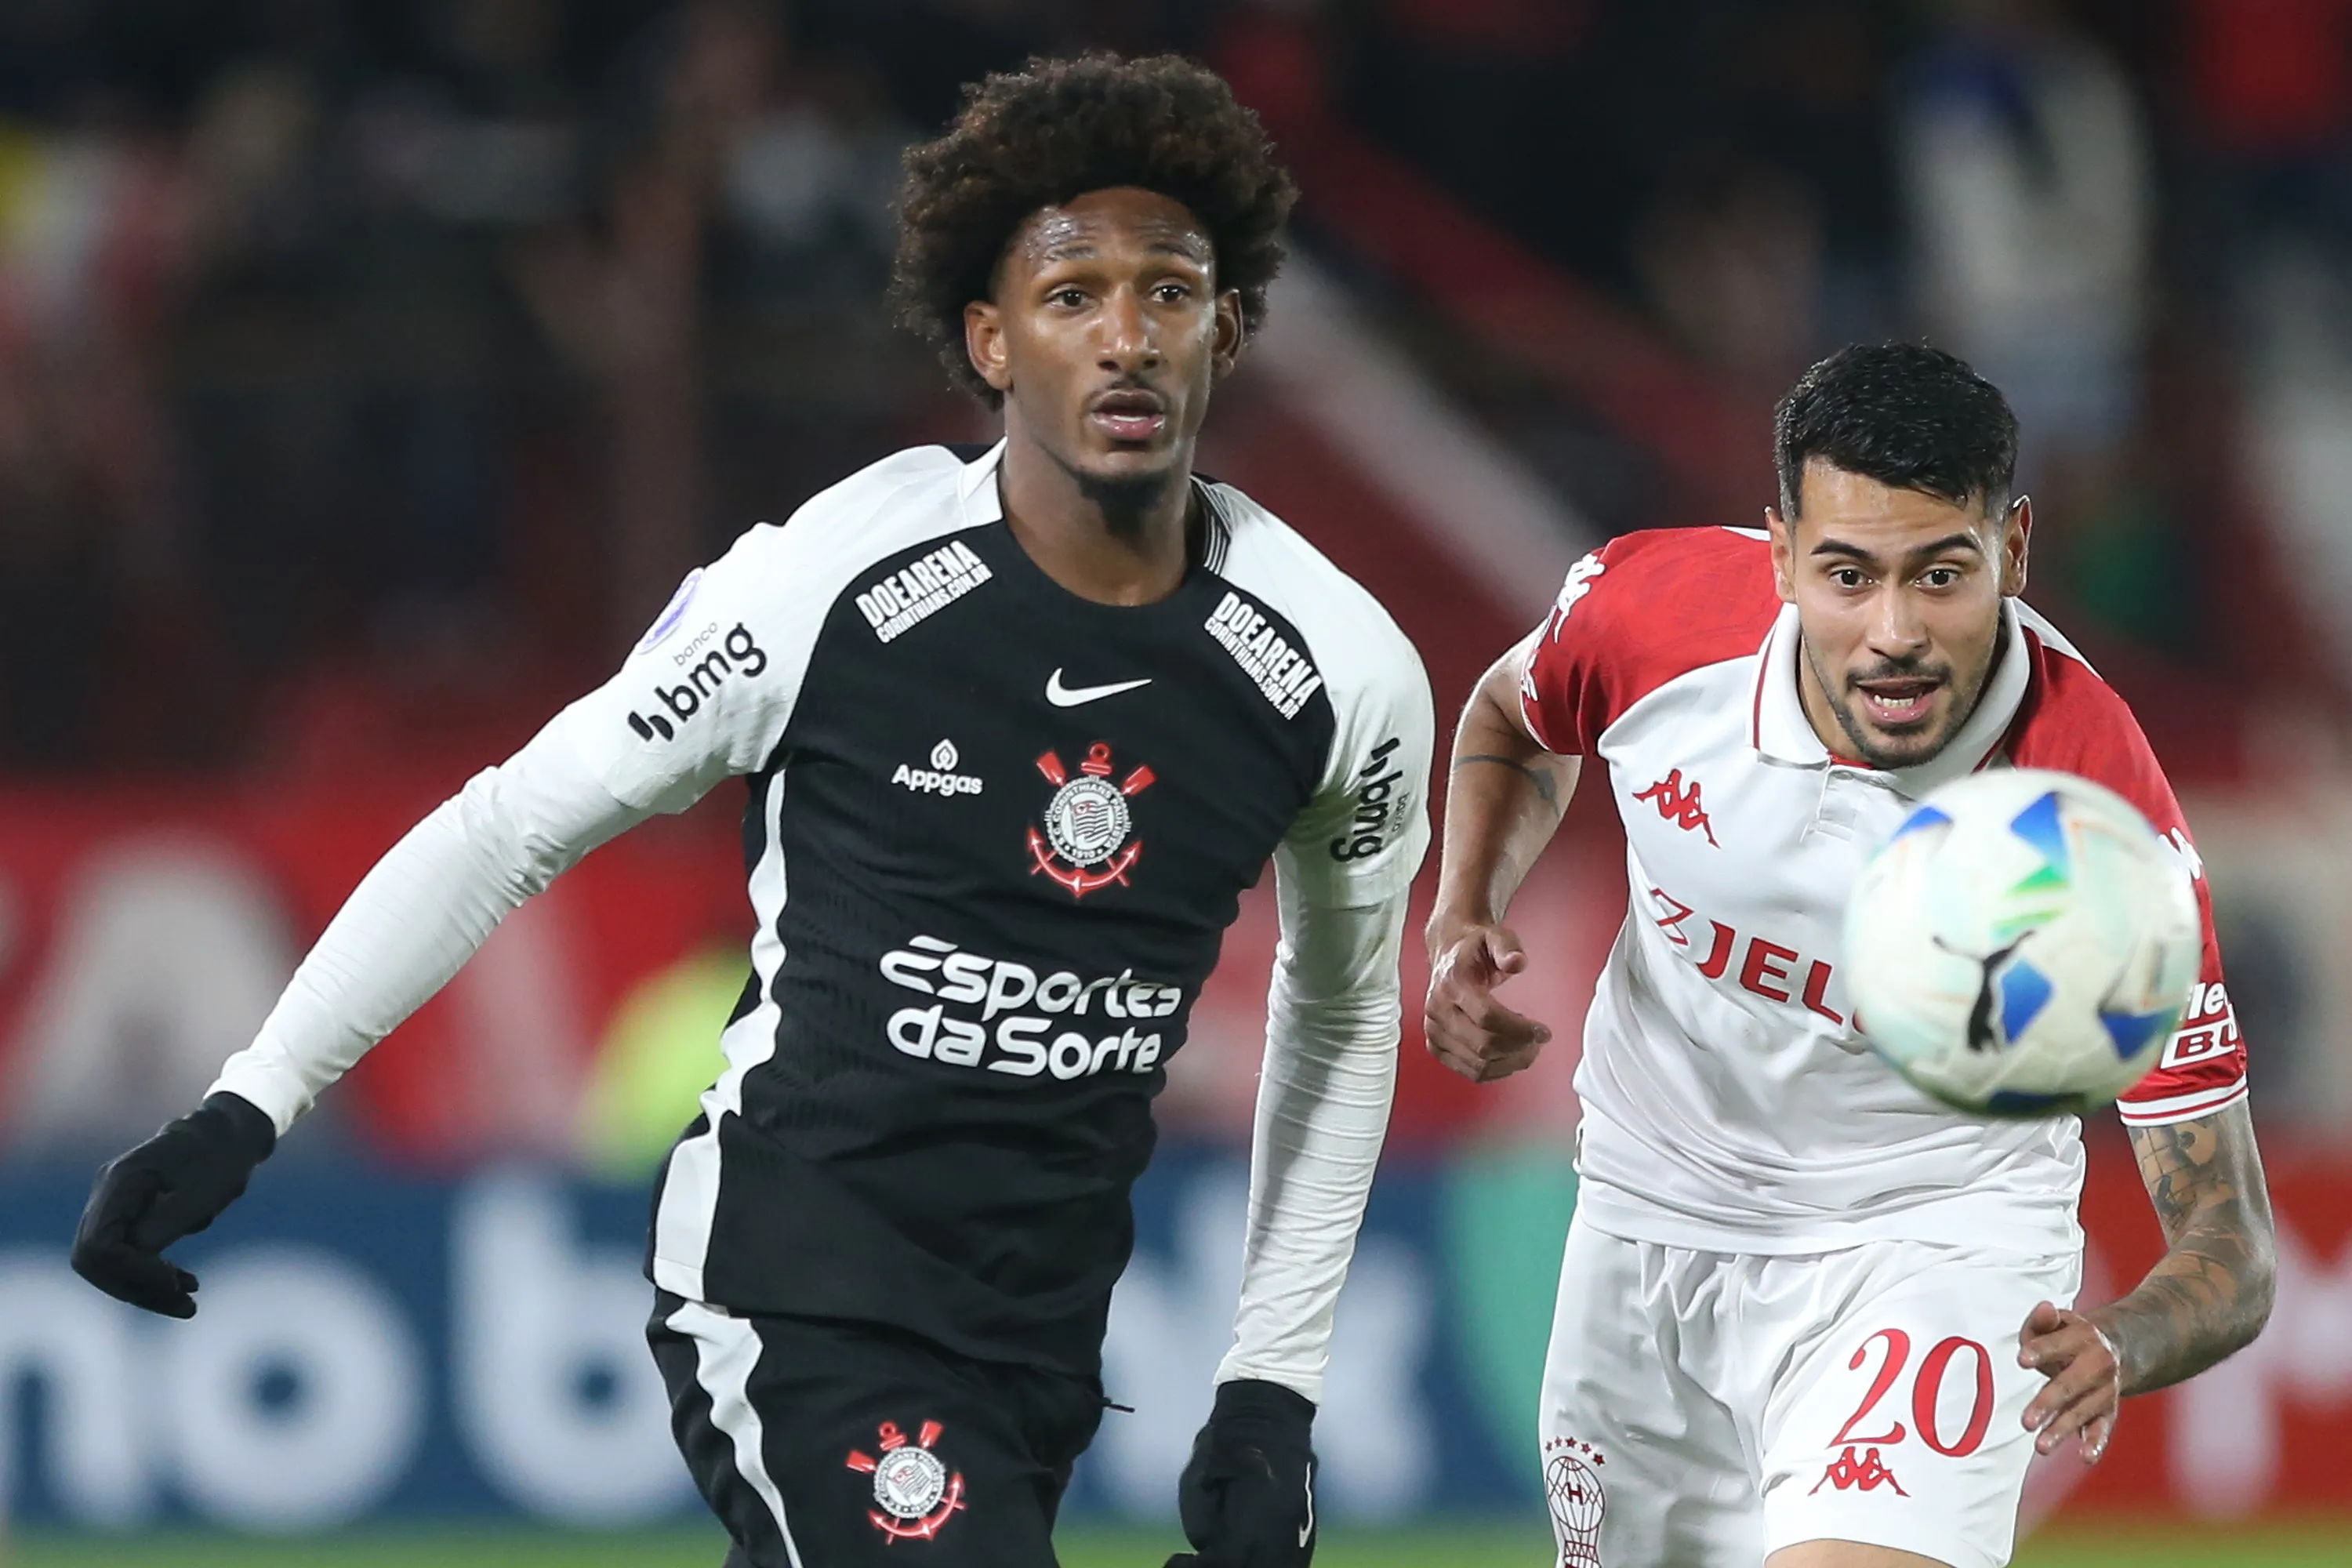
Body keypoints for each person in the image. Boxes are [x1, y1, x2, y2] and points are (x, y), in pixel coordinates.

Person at [70, 53, 1432, 1568]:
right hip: (796, 1288)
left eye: (1169, 292)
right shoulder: (828, 584)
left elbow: (1341, 1011)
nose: (1125, 337)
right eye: (1071, 297)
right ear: (988, 340)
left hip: (1041, 1335)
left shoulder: (1341, 667)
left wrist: (1271, 1390)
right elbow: (510, 825)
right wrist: (250, 1100)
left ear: (1230, 326)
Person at [1425, 343, 2272, 1568]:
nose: (1895, 635)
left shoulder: (2095, 824)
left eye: (1941, 575)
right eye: (1846, 576)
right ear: (1779, 555)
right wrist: (1466, 905)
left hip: (1931, 1244)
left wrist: (2127, 1339)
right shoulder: (1653, 618)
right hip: (1645, 1218)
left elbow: (2230, 1239)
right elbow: (1517, 713)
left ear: (2014, 550)